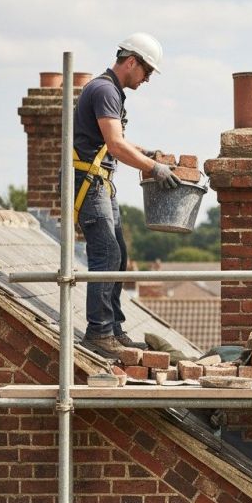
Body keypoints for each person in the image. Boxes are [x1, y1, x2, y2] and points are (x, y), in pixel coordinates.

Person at [72, 32, 179, 360]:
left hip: (100, 182)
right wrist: (154, 169)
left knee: (117, 254)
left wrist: (149, 154)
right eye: (146, 72)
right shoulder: (105, 90)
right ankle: (100, 331)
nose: (147, 79)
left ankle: (114, 327)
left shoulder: (109, 90)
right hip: (91, 183)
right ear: (131, 61)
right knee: (105, 254)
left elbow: (115, 140)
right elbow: (116, 146)